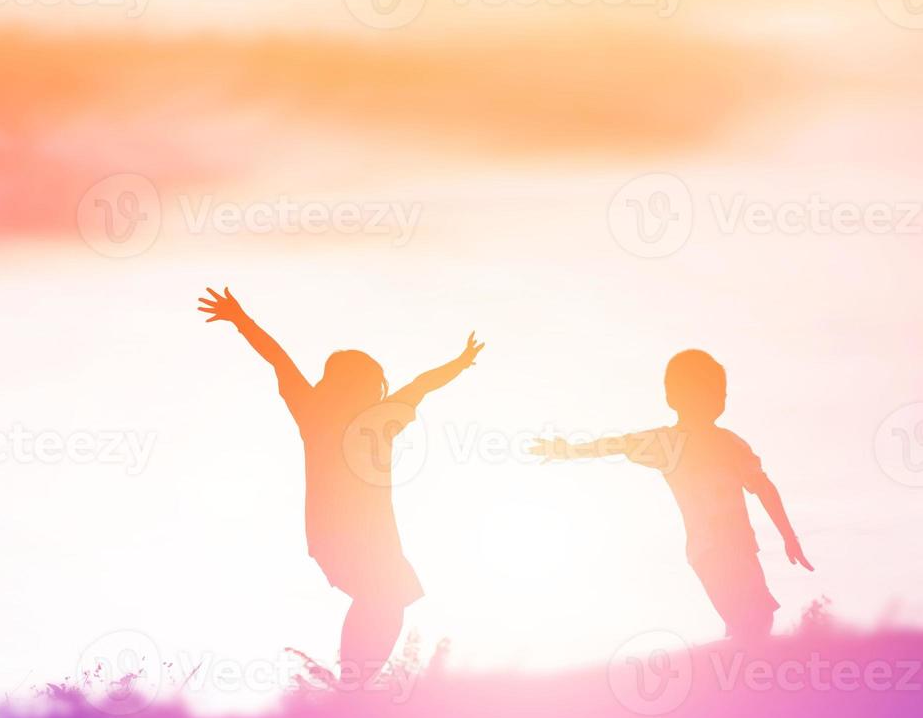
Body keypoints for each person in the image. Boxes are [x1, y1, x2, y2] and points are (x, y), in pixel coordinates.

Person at [196, 285, 484, 683]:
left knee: (389, 601)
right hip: (345, 535)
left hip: (363, 537)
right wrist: (460, 362)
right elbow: (422, 383)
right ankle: (351, 685)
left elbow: (281, 360)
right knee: (382, 598)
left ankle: (354, 684)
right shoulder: (345, 414)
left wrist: (241, 320)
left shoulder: (330, 412)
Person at [529, 349, 813, 640]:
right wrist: (567, 450)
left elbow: (765, 488)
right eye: (705, 391)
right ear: (674, 399)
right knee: (752, 619)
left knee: (755, 619)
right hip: (711, 550)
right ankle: (739, 671)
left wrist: (789, 536)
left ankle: (737, 671)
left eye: (720, 393)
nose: (716, 399)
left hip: (740, 548)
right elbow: (617, 445)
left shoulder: (731, 445)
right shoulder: (668, 443)